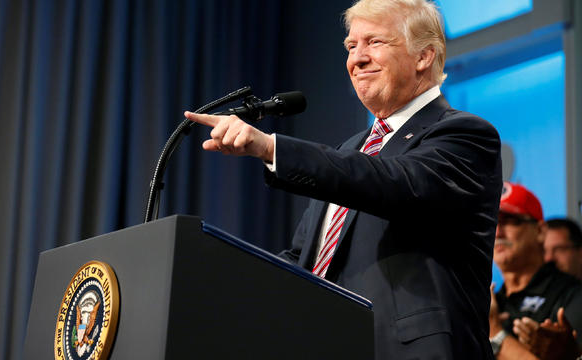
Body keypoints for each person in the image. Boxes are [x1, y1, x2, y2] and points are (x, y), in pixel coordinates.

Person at [185, 0, 502, 358]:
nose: (357, 58)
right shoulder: (351, 149)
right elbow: (304, 259)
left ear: (424, 56)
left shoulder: (465, 134)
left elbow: (395, 183)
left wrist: (272, 148)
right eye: (352, 46)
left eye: (375, 43)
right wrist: (218, 282)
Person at [489, 182, 582, 359]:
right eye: (492, 222)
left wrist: (495, 334)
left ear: (540, 231)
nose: (498, 232)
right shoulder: (491, 303)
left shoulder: (572, 294)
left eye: (510, 221)